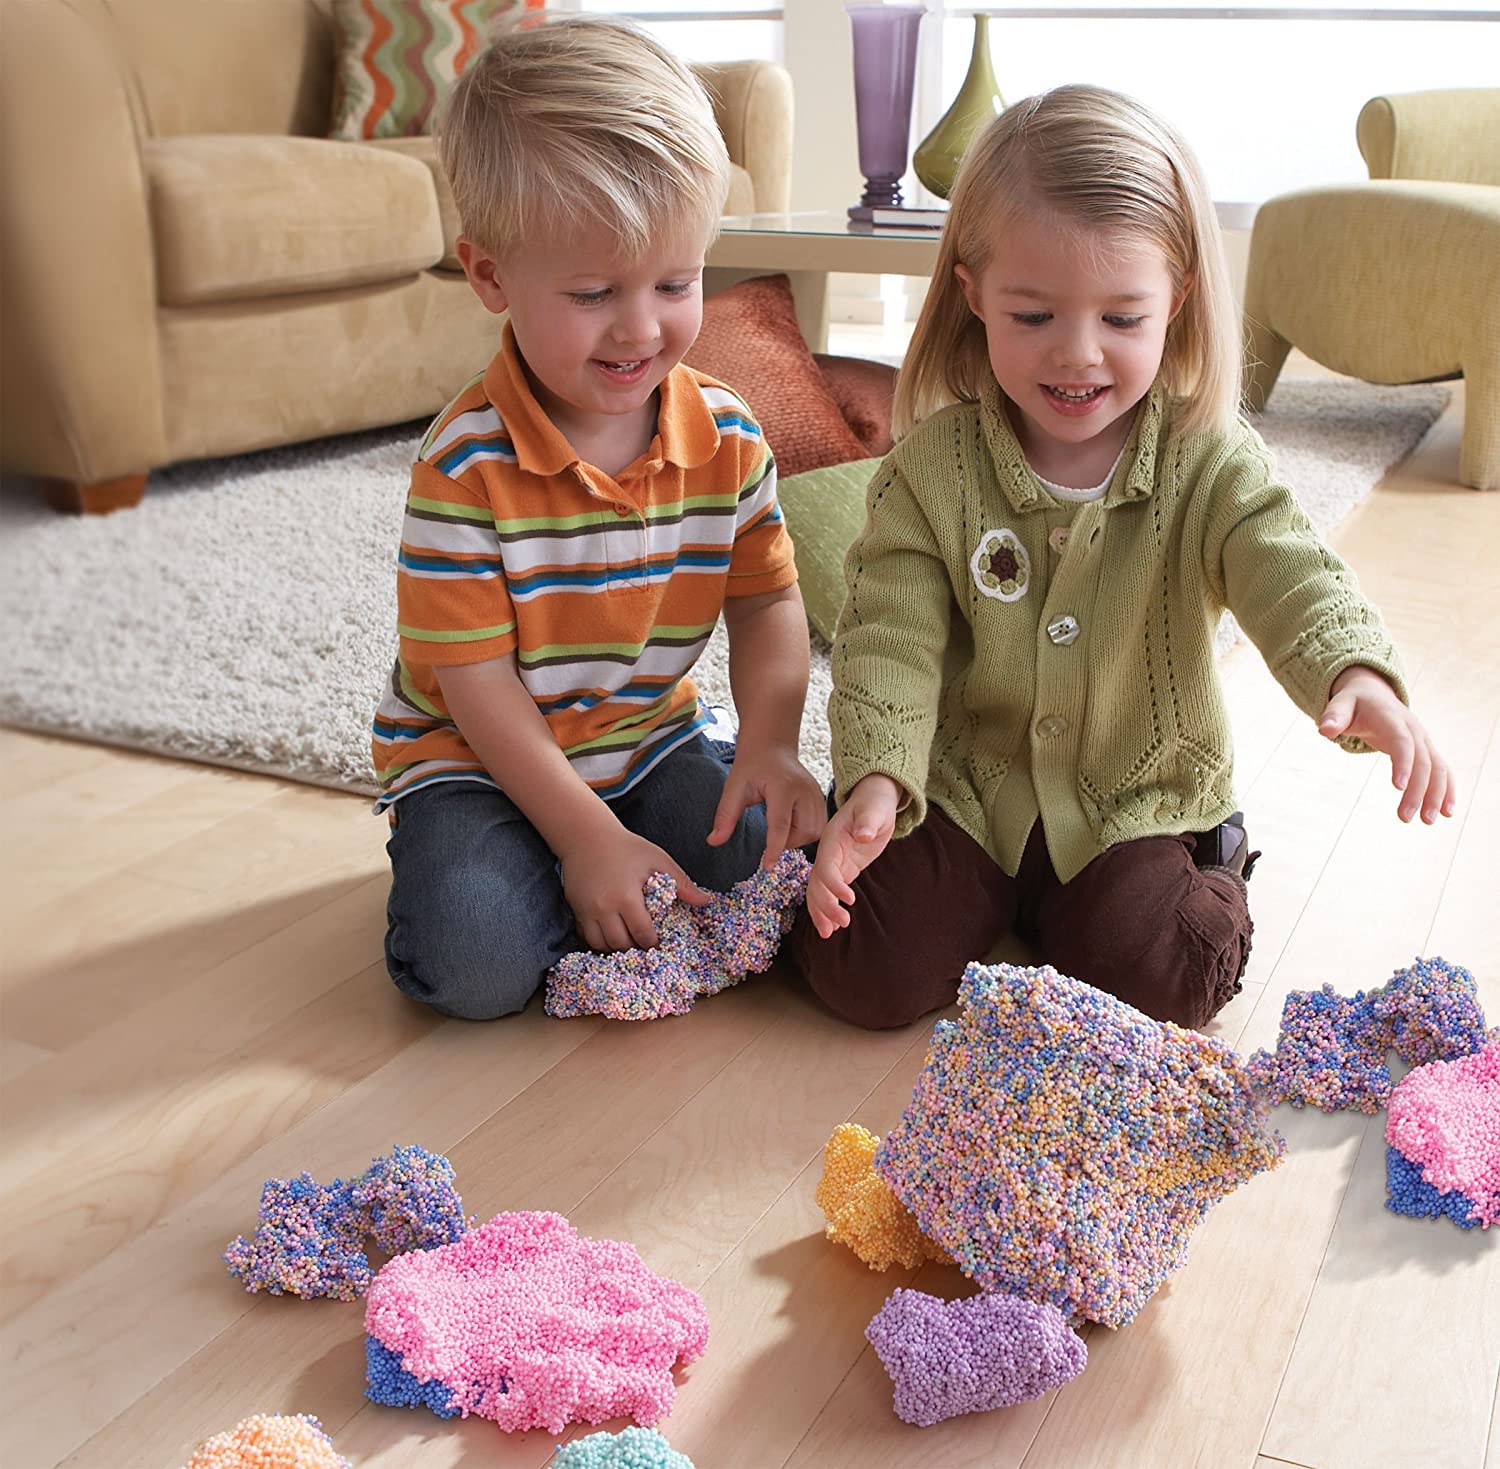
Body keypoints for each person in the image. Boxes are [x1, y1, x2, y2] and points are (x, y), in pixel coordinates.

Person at [790, 84, 1454, 1032]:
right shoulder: (931, 471)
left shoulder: (1208, 458)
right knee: (856, 963)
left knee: (1165, 975)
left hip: (1134, 801)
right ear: (974, 294)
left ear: (1176, 301)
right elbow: (886, 637)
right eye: (1034, 316)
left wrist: (1356, 675)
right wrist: (876, 780)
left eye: (1122, 319)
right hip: (963, 793)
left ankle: (1202, 864)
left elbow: (1290, 569)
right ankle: (973, 892)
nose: (1078, 355)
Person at [371, 16, 825, 1020]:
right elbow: (476, 686)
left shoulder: (728, 434)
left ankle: (601, 873)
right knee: (474, 961)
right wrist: (582, 836)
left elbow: (766, 603)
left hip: (648, 741)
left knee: (786, 863)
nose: (640, 327)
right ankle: (548, 869)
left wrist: (771, 741)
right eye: (591, 292)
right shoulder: (464, 466)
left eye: (675, 283)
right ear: (490, 274)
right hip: (480, 767)